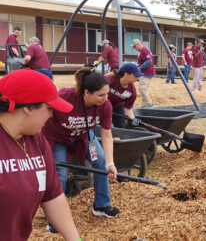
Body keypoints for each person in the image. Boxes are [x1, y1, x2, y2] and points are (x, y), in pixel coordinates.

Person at [0, 69, 80, 241]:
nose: (52, 115)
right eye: (49, 108)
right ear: (29, 107)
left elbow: (53, 195)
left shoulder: (36, 140)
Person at [42, 68, 120, 228]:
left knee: (101, 162)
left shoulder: (105, 106)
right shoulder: (65, 97)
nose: (105, 99)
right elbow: (43, 110)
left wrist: (110, 163)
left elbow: (106, 134)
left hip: (82, 135)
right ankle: (55, 219)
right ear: (86, 93)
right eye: (101, 95)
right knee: (61, 174)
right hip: (58, 138)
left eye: (107, 94)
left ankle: (101, 205)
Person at [106, 63, 142, 128]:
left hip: (117, 105)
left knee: (121, 126)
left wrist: (133, 119)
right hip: (102, 103)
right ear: (126, 74)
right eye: (135, 75)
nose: (137, 78)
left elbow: (128, 108)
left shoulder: (132, 92)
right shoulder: (109, 79)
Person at [131, 39, 156, 108]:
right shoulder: (142, 50)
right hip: (145, 72)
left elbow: (149, 61)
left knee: (142, 88)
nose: (134, 48)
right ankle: (145, 104)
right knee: (144, 88)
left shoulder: (144, 50)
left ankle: (149, 103)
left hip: (146, 73)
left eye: (134, 46)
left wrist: (140, 68)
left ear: (138, 45)